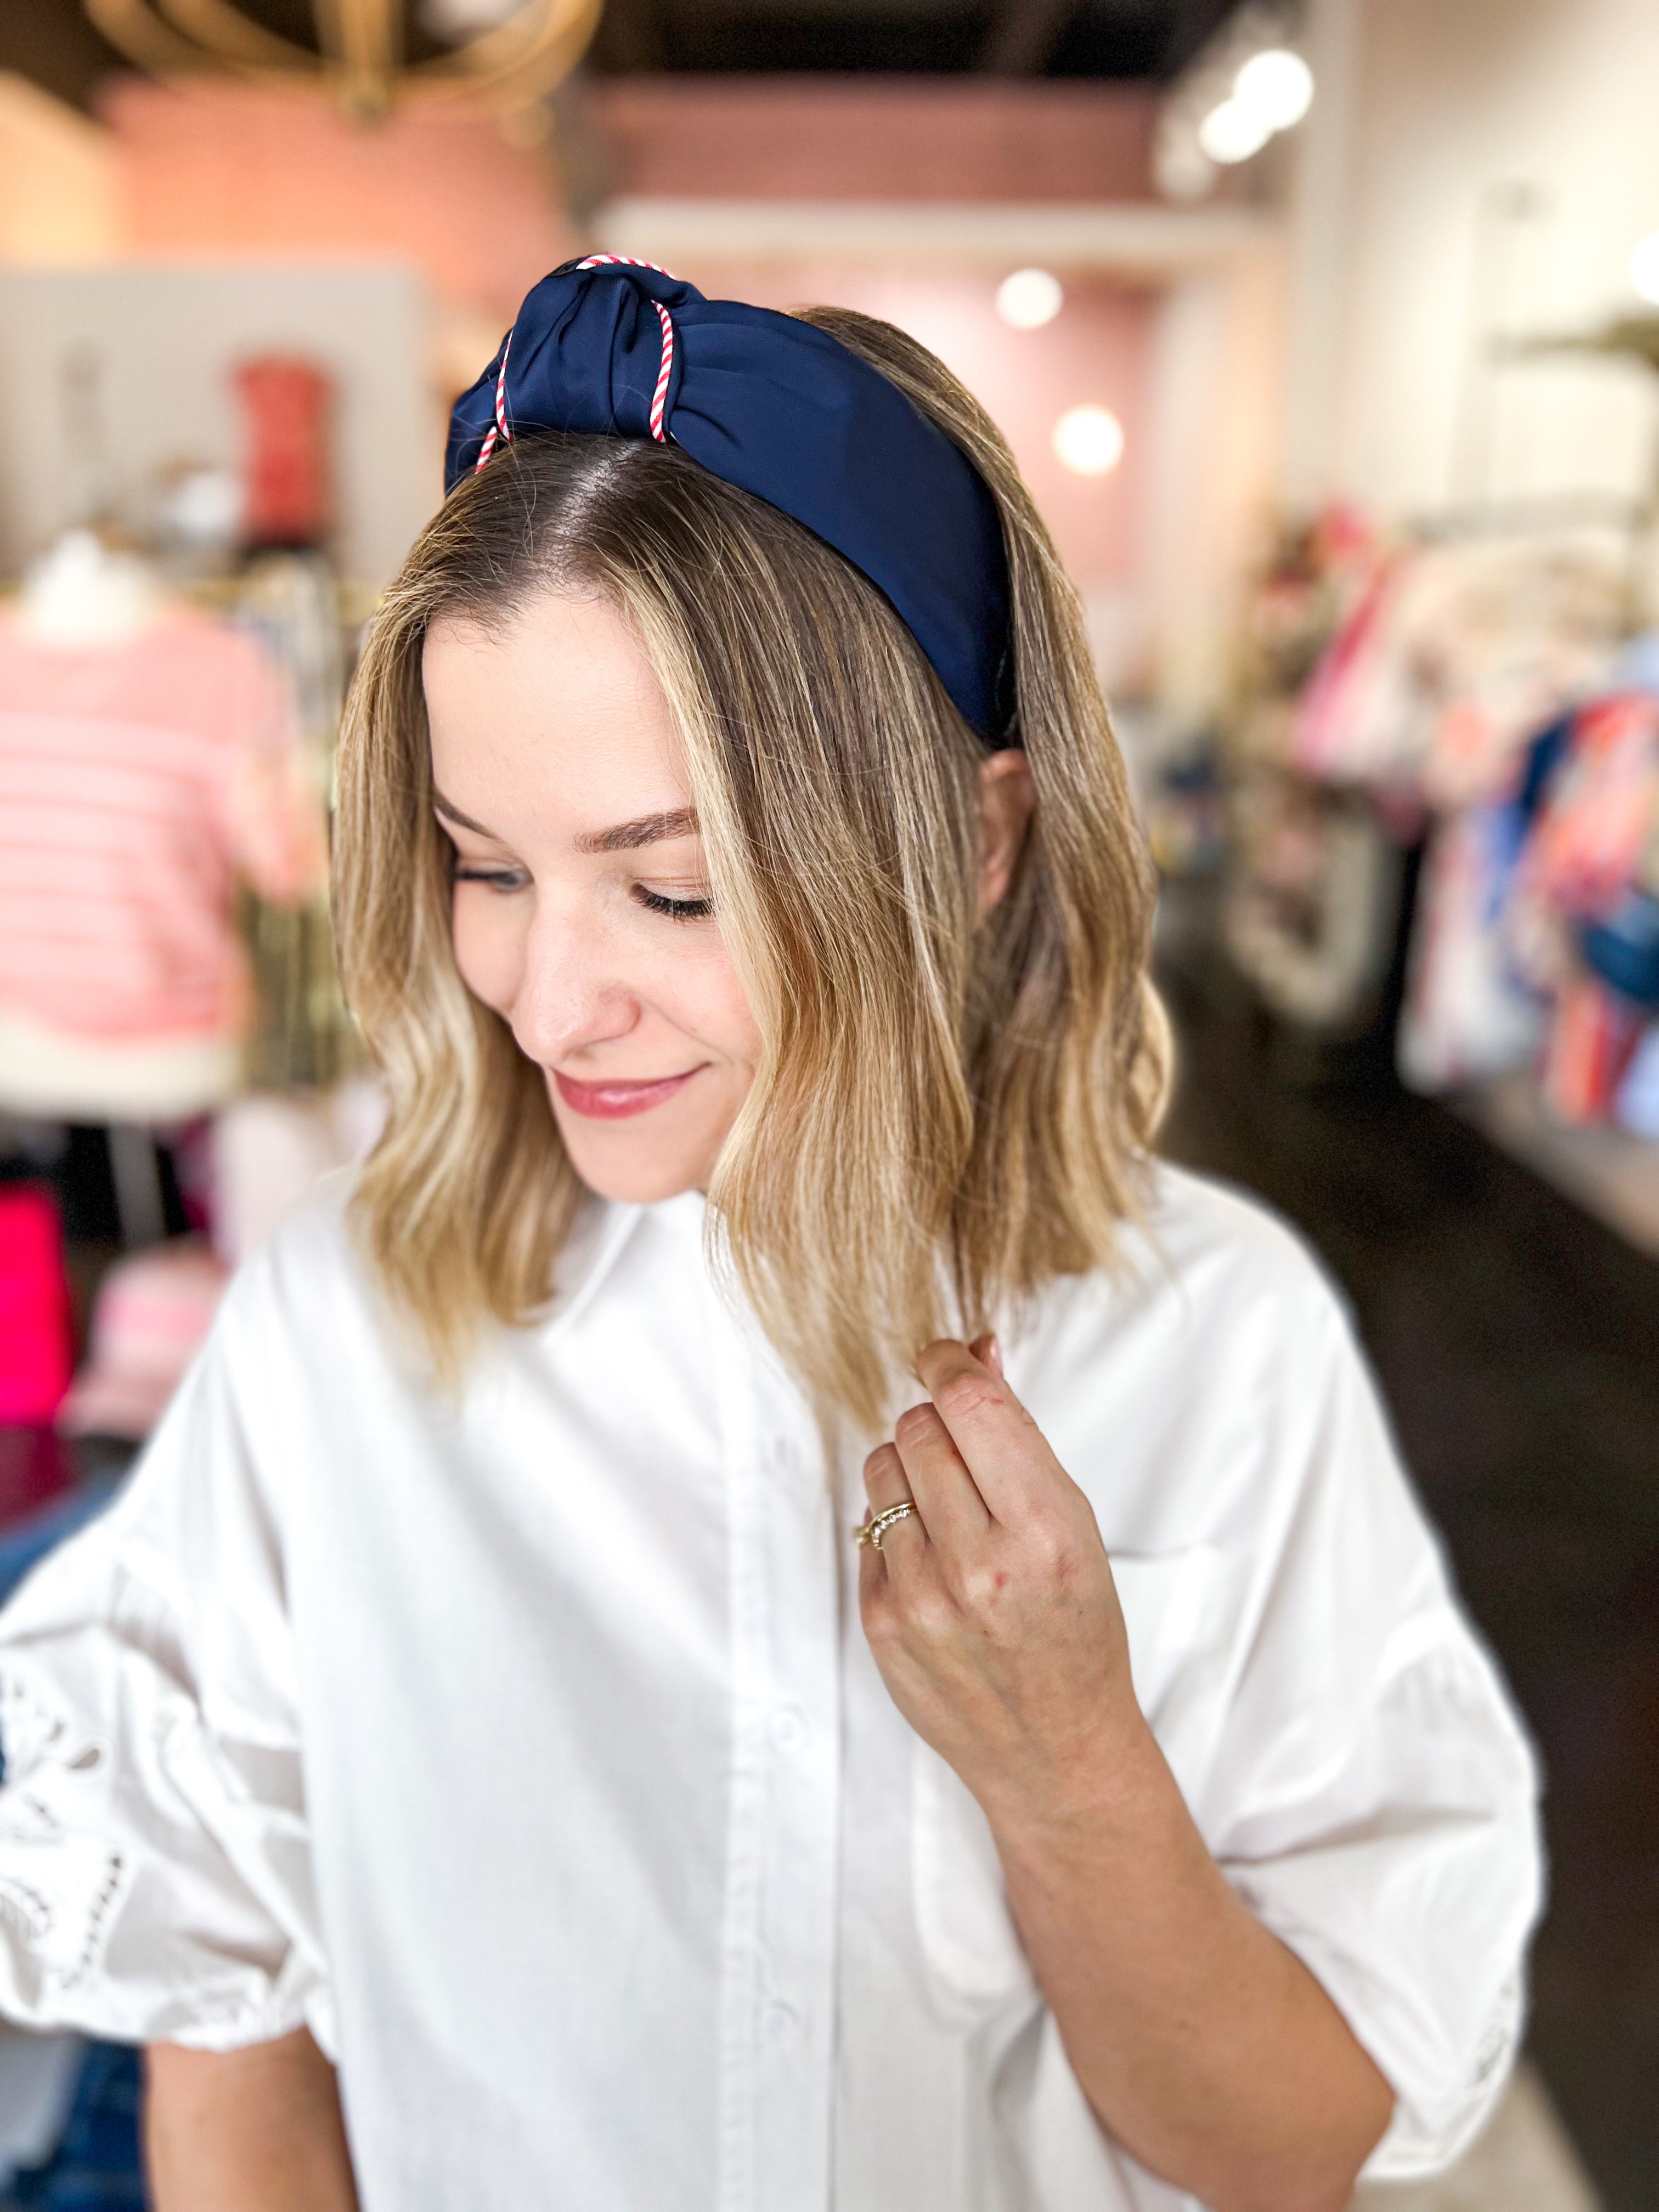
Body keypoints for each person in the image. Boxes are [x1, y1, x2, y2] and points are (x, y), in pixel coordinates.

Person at [0, 261, 1540, 2212]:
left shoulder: (1215, 1346)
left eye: (672, 890)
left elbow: (1297, 2145)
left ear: (974, 850)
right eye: (487, 867)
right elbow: (233, 2065)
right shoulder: (348, 1328)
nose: (550, 1004)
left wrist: (1072, 1766)